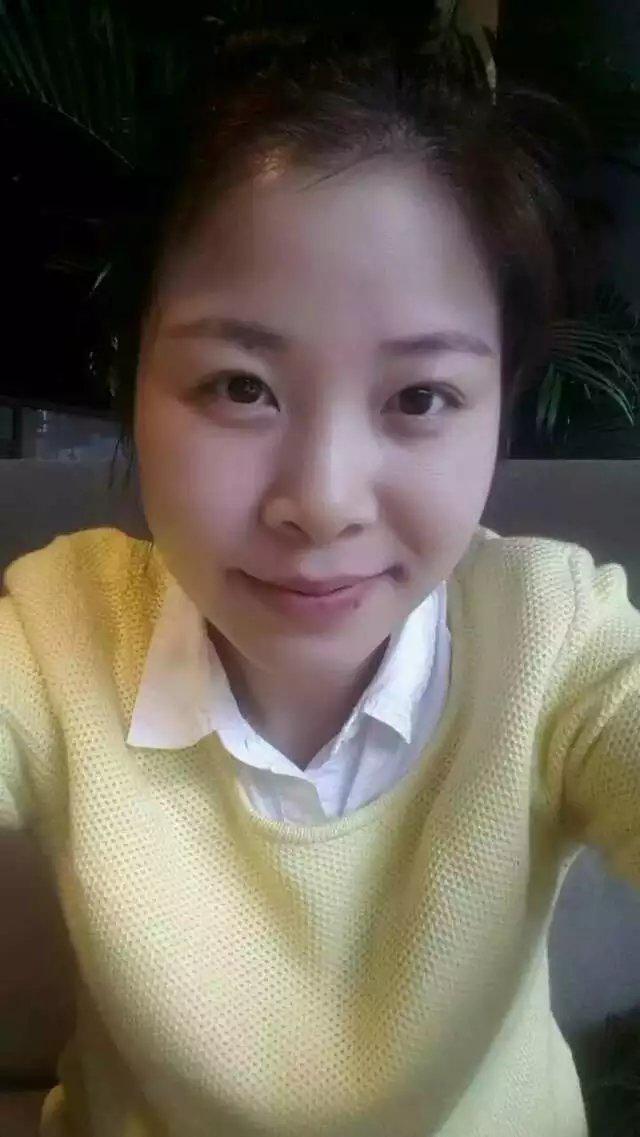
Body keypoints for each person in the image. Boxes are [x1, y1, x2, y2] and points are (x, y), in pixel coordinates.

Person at [1, 25, 639, 1137]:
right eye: (240, 386)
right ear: (131, 374)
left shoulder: (554, 639)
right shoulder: (58, 637)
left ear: (500, 408)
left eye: (420, 398)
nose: (323, 500)